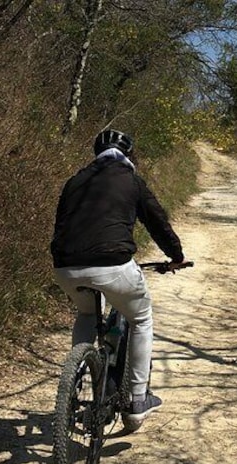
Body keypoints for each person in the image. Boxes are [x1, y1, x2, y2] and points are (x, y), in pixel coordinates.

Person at [50, 129, 187, 430]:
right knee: (141, 319)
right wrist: (175, 256)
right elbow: (157, 222)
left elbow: (62, 224)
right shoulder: (131, 180)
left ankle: (74, 384)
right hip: (113, 264)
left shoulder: (75, 181)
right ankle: (138, 400)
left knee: (87, 312)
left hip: (65, 266)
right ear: (127, 154)